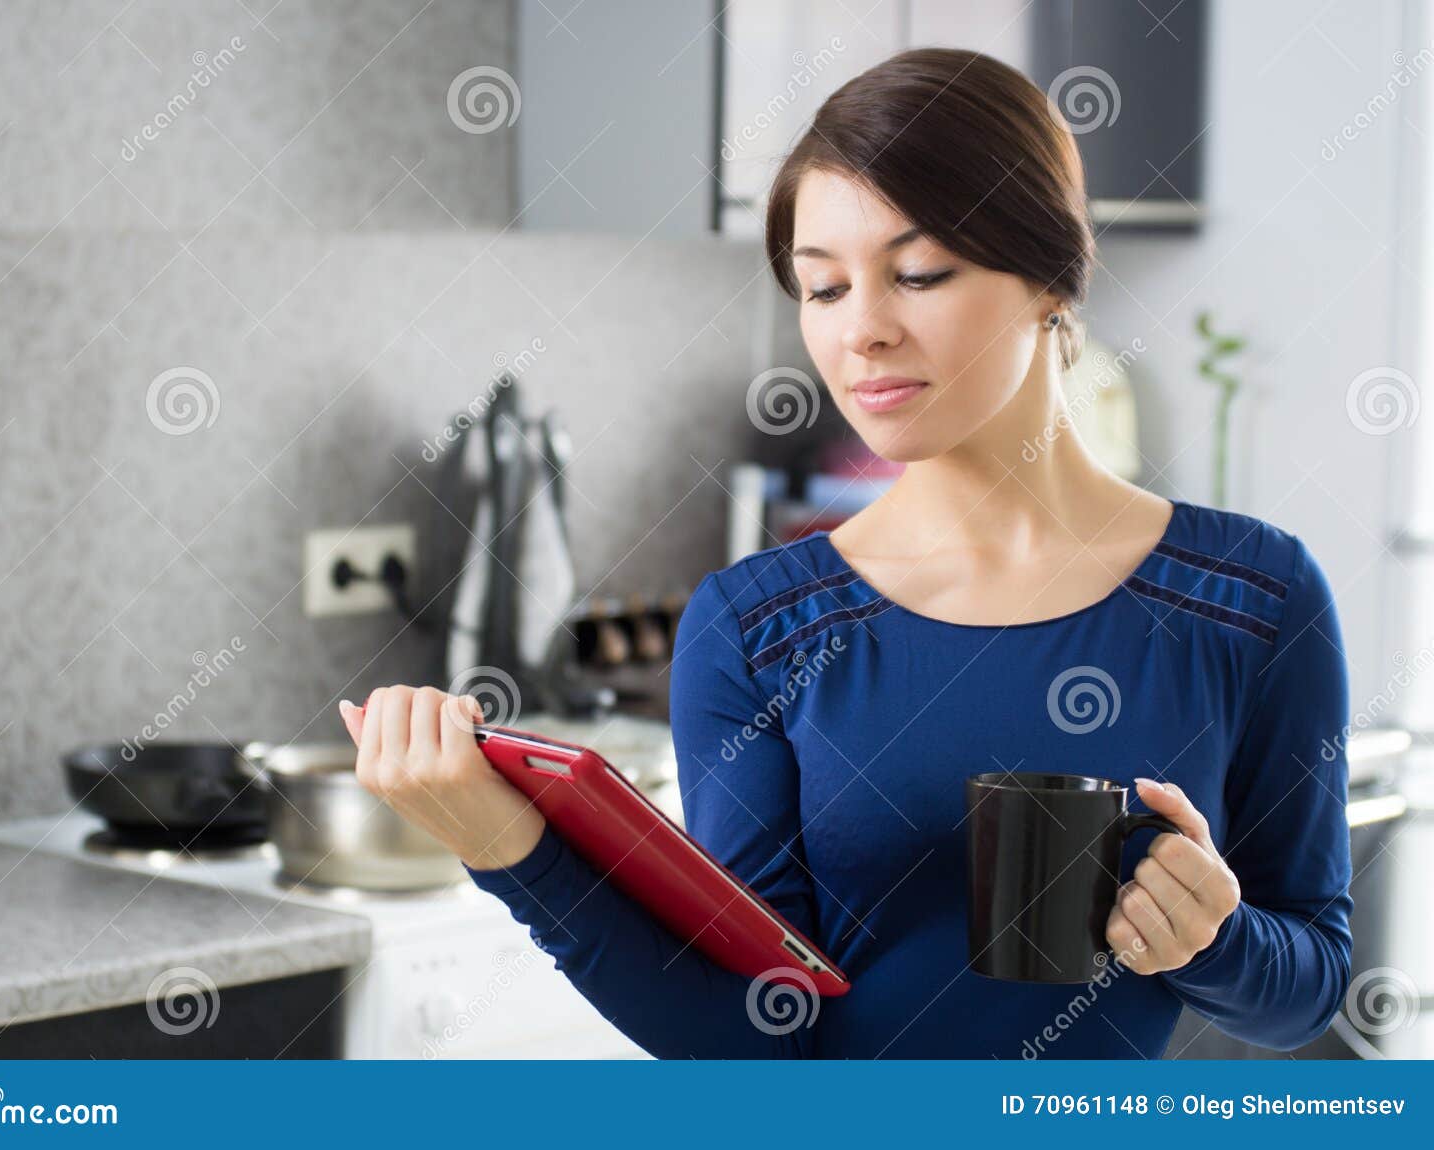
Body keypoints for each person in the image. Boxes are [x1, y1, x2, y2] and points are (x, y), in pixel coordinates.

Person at [338, 48, 1352, 1059]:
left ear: (1049, 277)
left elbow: (1304, 992)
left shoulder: (1252, 599)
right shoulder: (758, 627)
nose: (860, 330)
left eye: (916, 274)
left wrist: (1214, 940)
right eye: (822, 289)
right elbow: (751, 1038)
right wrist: (507, 848)